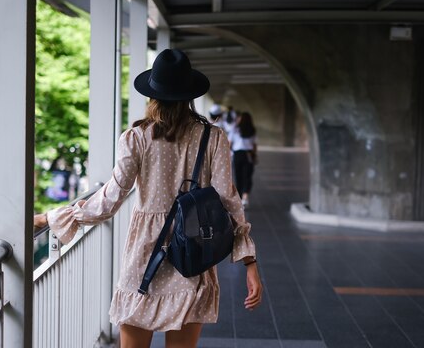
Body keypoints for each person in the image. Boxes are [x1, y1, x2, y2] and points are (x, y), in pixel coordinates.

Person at [34, 49, 262, 348]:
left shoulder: (137, 137)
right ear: (189, 95)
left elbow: (111, 197)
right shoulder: (212, 136)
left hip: (145, 257)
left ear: (153, 95)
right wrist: (249, 262)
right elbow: (229, 200)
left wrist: (52, 218)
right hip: (192, 255)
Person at [230, 112, 258, 208]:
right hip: (248, 154)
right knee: (247, 176)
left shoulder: (235, 129)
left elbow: (230, 143)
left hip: (237, 154)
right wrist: (255, 156)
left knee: (238, 176)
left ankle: (239, 197)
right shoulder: (252, 130)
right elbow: (254, 145)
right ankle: (245, 197)